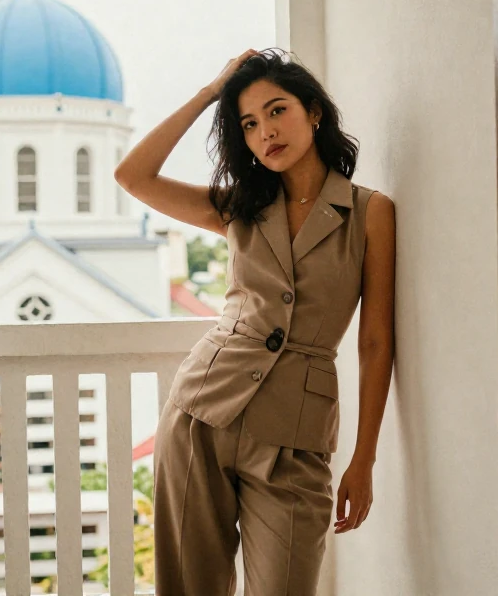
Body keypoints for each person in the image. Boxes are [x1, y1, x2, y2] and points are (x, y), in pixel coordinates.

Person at [113, 48, 396, 596]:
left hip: (296, 438)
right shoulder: (238, 208)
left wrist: (364, 459)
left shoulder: (370, 212)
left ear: (313, 112)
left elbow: (376, 341)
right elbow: (133, 176)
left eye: (276, 110)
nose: (265, 131)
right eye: (248, 123)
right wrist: (208, 92)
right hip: (202, 414)